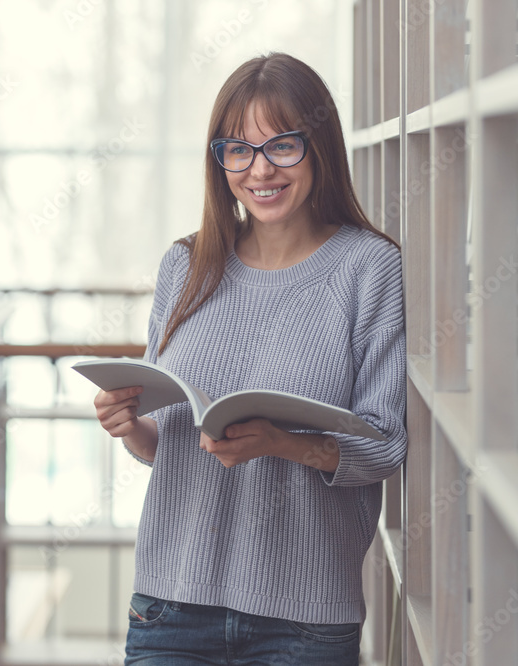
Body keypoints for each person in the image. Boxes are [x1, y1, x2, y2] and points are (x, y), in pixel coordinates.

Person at [93, 52, 406, 665]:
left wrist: (282, 443)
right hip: (170, 607)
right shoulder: (184, 265)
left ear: (319, 148)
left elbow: (387, 445)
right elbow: (170, 443)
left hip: (306, 623)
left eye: (281, 146)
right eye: (237, 150)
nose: (259, 170)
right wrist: (131, 425)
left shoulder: (368, 269)